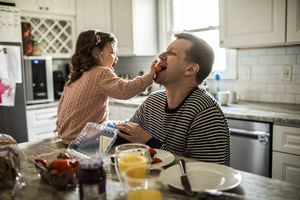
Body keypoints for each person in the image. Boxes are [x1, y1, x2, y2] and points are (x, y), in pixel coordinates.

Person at [115, 32, 230, 166]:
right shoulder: (153, 102)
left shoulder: (206, 113)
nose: (161, 56)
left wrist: (149, 141)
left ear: (191, 69)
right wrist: (96, 127)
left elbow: (204, 171)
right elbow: (128, 135)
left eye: (172, 53)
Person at [55, 30, 156, 144]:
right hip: (88, 139)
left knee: (117, 124)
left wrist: (60, 127)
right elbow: (125, 90)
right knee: (130, 133)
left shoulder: (73, 79)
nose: (116, 58)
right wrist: (150, 76)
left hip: (67, 138)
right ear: (96, 52)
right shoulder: (101, 73)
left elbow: (61, 108)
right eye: (112, 52)